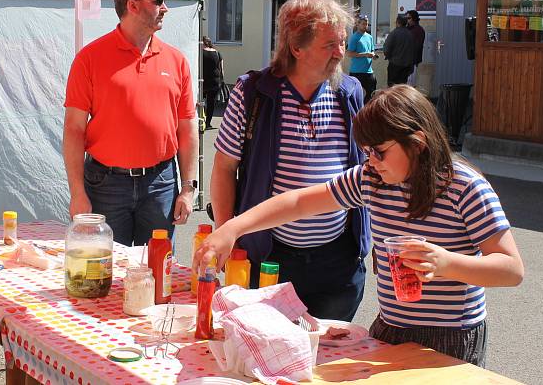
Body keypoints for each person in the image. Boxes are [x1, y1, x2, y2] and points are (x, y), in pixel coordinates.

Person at [196, 84, 524, 367]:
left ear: (418, 142)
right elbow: (297, 202)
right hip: (392, 327)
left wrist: (447, 263)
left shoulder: (465, 186)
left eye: (379, 152)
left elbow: (511, 269)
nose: (371, 162)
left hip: (452, 336)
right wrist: (233, 228)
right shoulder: (372, 179)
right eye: (366, 152)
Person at [209, 0, 370, 321]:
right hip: (270, 259)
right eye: (330, 45)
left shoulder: (350, 93)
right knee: (264, 357)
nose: (340, 53)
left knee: (327, 359)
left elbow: (368, 173)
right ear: (297, 47)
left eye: (341, 42)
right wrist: (226, 231)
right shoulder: (254, 93)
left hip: (338, 264)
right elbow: (225, 168)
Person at [63, 0, 199, 246]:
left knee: (157, 271)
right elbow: (74, 129)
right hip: (106, 184)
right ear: (133, 6)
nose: (165, 8)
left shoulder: (176, 60)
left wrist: (187, 188)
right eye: (158, 1)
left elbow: (188, 127)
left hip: (160, 182)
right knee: (104, 270)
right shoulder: (89, 59)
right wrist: (77, 192)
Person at [346, 14, 377, 101]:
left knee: (372, 94)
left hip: (368, 72)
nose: (365, 26)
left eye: (366, 24)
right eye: (363, 24)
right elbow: (349, 53)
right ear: (358, 24)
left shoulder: (369, 37)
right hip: (357, 72)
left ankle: (366, 112)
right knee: (354, 96)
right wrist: (364, 54)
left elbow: (371, 50)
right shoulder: (354, 37)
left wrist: (373, 55)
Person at [384, 14, 417, 86]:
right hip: (406, 66)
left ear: (397, 22)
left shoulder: (394, 33)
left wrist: (388, 56)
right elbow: (413, 51)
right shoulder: (410, 34)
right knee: (402, 88)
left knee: (392, 88)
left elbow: (386, 49)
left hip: (395, 65)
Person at [202, 35, 224, 129]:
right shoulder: (217, 53)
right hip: (215, 81)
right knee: (211, 103)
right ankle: (208, 123)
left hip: (203, 81)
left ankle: (200, 120)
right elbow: (221, 69)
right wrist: (222, 81)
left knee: (200, 102)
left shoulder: (200, 52)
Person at [406, 10, 425, 85]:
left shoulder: (419, 30)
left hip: (412, 61)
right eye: (406, 18)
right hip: (404, 61)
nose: (407, 20)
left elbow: (417, 46)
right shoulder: (407, 29)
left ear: (414, 18)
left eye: (409, 18)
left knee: (410, 83)